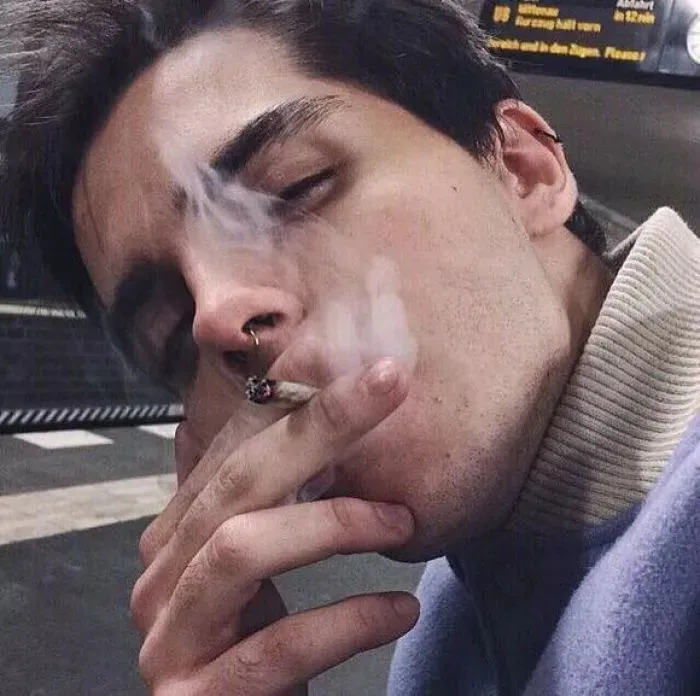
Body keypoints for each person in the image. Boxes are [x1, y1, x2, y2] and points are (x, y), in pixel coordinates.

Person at [1, 1, 698, 694]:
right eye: (167, 328)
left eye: (293, 189)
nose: (216, 316)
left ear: (524, 169)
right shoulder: (466, 599)